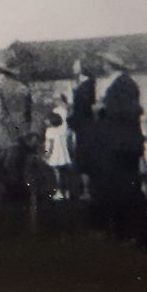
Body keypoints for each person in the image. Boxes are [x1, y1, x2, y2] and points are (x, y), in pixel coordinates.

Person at [89, 51, 145, 236]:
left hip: (122, 144)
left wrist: (103, 109)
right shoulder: (123, 83)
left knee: (124, 185)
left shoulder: (123, 84)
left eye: (105, 62)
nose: (102, 65)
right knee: (123, 184)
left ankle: (128, 228)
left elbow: (129, 111)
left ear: (110, 64)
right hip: (123, 142)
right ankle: (125, 226)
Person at [0, 54, 33, 200]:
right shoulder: (23, 87)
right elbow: (28, 113)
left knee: (7, 175)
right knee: (21, 172)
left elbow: (0, 114)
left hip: (7, 134)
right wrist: (24, 133)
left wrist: (15, 133)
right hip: (24, 133)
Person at [67, 60, 96, 201]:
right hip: (81, 126)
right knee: (81, 156)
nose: (72, 67)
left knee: (84, 157)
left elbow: (84, 107)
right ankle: (84, 189)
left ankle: (87, 190)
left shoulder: (87, 85)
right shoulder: (80, 84)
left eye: (75, 65)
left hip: (85, 126)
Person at [44, 108, 71, 201]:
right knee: (64, 173)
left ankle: (59, 192)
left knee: (57, 174)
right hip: (63, 154)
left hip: (55, 155)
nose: (45, 120)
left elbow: (50, 146)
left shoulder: (49, 131)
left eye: (47, 119)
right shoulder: (62, 130)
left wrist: (46, 155)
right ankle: (67, 192)